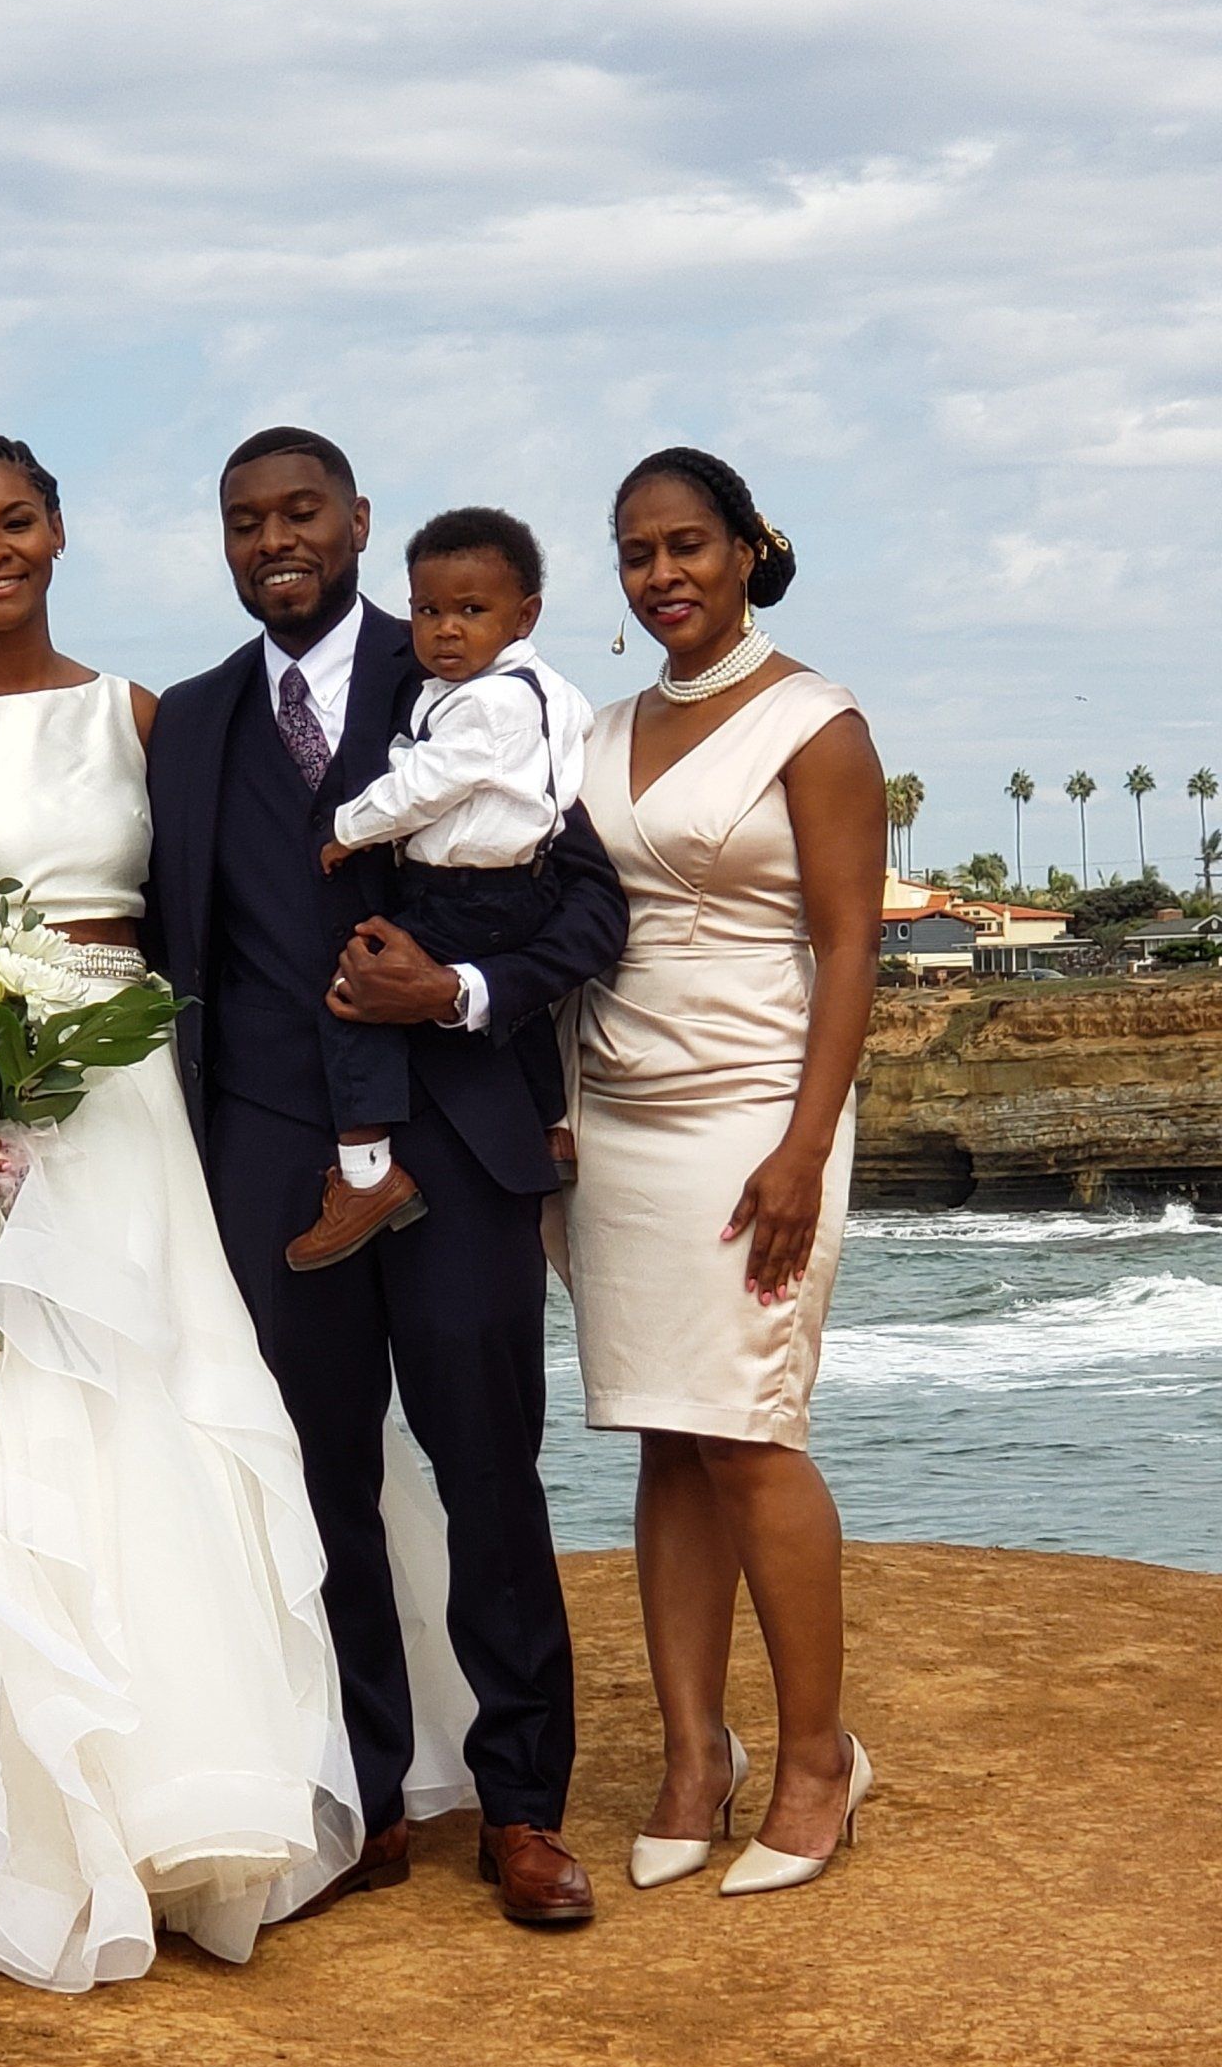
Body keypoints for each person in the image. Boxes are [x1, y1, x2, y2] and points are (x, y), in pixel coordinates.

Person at [0, 427, 459, 1993]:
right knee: (12, 1433)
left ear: (61, 528)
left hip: (133, 1111)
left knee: (166, 1415)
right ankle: (23, 1796)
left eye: (16, 520)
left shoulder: (140, 716)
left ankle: (199, 1783)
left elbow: (221, 923)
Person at [144, 427, 629, 1927]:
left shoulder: (474, 678)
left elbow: (591, 907)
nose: (273, 541)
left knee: (490, 1472)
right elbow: (182, 951)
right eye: (244, 522)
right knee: (320, 1483)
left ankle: (526, 1806)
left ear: (358, 522)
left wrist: (466, 994)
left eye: (301, 513)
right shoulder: (194, 722)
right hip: (273, 1160)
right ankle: (362, 1798)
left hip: (461, 1143)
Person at [559, 445, 885, 1897]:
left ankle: (820, 1758)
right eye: (638, 554)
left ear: (750, 548)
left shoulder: (819, 725)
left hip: (758, 1119)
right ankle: (697, 1753)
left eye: (688, 544)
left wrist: (808, 1144)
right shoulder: (600, 728)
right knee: (668, 1434)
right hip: (617, 1121)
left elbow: (850, 944)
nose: (663, 574)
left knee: (750, 1431)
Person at [296, 503, 593, 1269]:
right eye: (428, 610)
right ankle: (552, 1125)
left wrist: (347, 829)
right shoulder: (546, 692)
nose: (445, 630)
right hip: (525, 885)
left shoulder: (486, 705)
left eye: (470, 611)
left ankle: (366, 1172)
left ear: (524, 616)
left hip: (467, 889)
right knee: (523, 1018)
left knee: (353, 991)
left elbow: (422, 786)